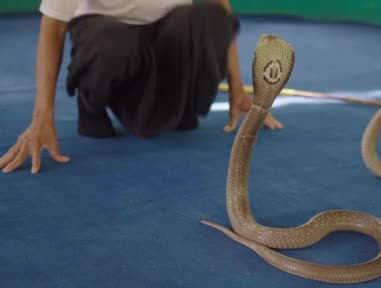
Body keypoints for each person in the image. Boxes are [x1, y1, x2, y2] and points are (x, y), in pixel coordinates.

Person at [0, 0, 284, 174]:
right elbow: (53, 26)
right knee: (111, 41)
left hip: (167, 38)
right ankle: (92, 106)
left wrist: (238, 87)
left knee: (211, 17)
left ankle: (171, 107)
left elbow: (219, 7)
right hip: (105, 37)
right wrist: (42, 116)